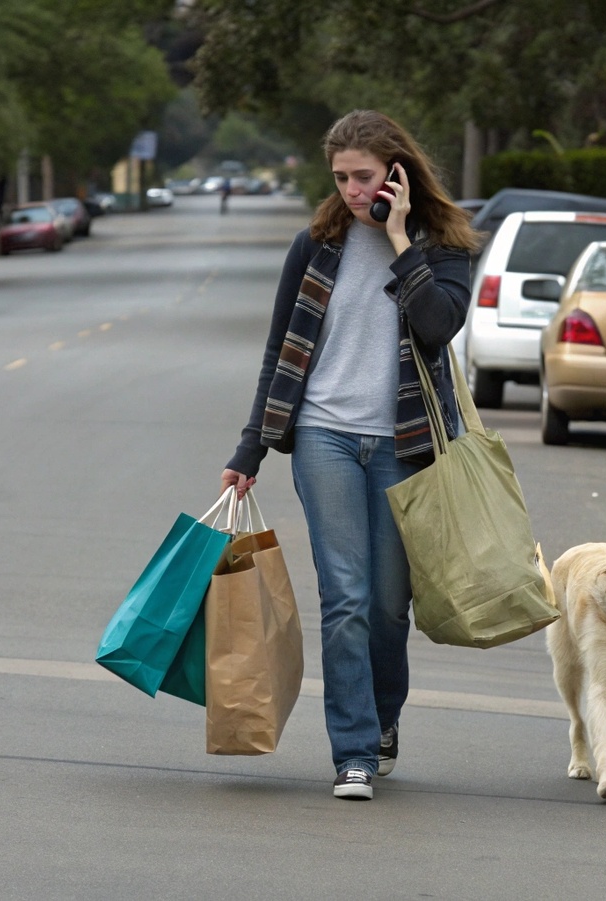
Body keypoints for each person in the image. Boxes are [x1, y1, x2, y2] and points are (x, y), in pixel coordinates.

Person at [220, 110, 480, 800]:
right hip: (325, 435)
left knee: (390, 606)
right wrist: (252, 447)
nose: (352, 191)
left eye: (362, 177)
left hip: (405, 443)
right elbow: (280, 350)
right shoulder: (318, 242)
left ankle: (383, 717)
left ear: (397, 170)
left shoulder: (442, 241)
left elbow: (436, 327)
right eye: (341, 178)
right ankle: (354, 751)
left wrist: (399, 242)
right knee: (347, 598)